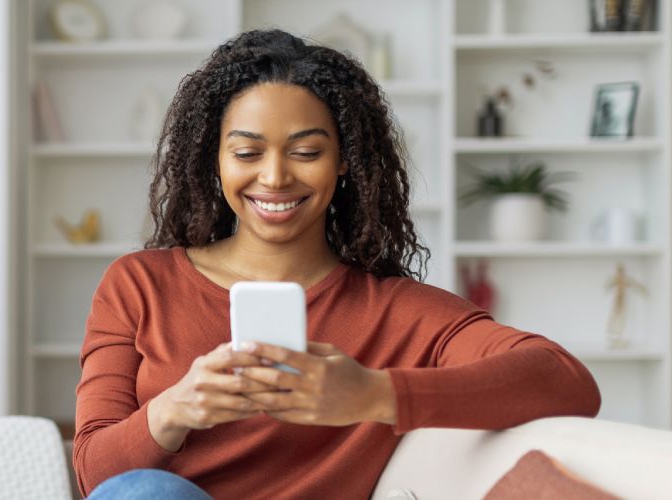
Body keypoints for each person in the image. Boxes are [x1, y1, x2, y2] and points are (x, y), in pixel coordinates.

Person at [73, 29, 601, 499]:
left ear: (344, 159)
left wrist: (373, 393)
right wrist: (173, 410)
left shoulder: (398, 312)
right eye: (247, 152)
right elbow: (96, 477)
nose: (275, 177)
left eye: (306, 152)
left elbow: (567, 382)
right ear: (215, 157)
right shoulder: (139, 285)